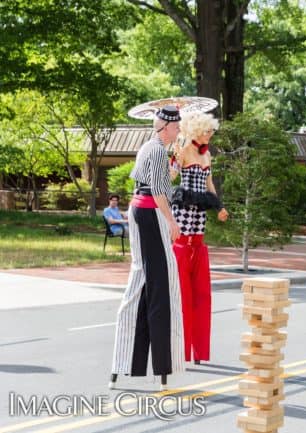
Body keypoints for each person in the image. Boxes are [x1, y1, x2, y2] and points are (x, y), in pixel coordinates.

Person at [109, 105, 184, 391]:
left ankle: (124, 362)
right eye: (176, 127)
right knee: (162, 286)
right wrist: (172, 222)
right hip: (151, 214)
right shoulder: (155, 151)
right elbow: (158, 193)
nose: (179, 132)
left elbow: (160, 182)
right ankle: (162, 367)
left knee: (141, 281)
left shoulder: (149, 148)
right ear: (165, 126)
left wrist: (173, 165)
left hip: (140, 212)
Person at [170, 111, 228, 365]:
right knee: (183, 251)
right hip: (183, 210)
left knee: (198, 251)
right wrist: (172, 155)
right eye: (207, 131)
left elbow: (209, 183)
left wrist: (219, 206)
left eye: (211, 131)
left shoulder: (206, 154)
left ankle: (198, 350)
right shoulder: (183, 149)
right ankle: (179, 348)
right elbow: (171, 177)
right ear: (196, 131)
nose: (211, 134)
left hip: (199, 214)